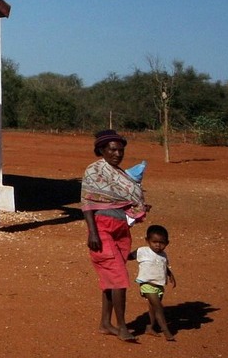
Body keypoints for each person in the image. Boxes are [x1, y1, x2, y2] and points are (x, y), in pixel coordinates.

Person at [81, 129, 149, 342]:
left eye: (120, 150)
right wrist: (92, 232)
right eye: (113, 150)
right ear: (101, 150)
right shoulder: (94, 171)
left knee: (112, 279)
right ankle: (122, 327)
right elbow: (87, 204)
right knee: (119, 278)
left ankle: (105, 324)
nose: (117, 154)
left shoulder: (120, 174)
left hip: (121, 228)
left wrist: (138, 208)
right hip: (102, 227)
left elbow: (123, 201)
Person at [130, 224, 177, 341]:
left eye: (162, 243)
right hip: (147, 285)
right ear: (147, 240)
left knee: (152, 308)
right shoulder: (142, 251)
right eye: (154, 241)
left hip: (159, 286)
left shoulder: (163, 255)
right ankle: (166, 330)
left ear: (167, 243)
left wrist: (170, 275)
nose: (158, 245)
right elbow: (128, 256)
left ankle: (150, 327)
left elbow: (163, 267)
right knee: (158, 307)